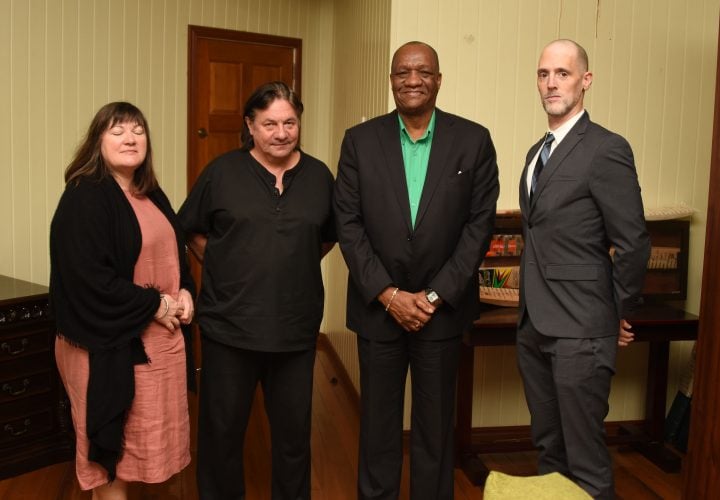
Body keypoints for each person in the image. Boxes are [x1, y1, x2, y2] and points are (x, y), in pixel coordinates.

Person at [334, 41, 500, 499]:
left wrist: (432, 296)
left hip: (441, 314)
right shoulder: (359, 141)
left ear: (439, 80)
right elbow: (348, 225)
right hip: (377, 312)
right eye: (402, 72)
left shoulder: (474, 140)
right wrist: (387, 294)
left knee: (435, 431)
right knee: (378, 429)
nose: (412, 80)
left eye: (423, 72)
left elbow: (478, 227)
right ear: (391, 80)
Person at [178, 81, 337, 500]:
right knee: (221, 435)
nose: (281, 133)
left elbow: (326, 236)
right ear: (250, 125)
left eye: (289, 122)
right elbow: (192, 228)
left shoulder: (320, 176)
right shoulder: (222, 172)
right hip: (229, 327)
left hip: (295, 329)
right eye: (269, 124)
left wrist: (287, 263)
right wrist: (228, 262)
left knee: (292, 438)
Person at [516, 39, 651, 499]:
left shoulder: (606, 149)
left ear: (585, 80)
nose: (551, 83)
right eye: (543, 74)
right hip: (534, 327)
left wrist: (615, 313)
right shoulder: (536, 152)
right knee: (549, 450)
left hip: (582, 330)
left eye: (563, 73)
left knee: (585, 459)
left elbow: (633, 242)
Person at [49, 101, 195, 500]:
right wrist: (157, 305)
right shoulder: (85, 196)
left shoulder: (151, 192)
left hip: (158, 346)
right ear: (98, 141)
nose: (130, 138)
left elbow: (175, 256)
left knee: (145, 453)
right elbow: (88, 280)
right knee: (113, 460)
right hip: (108, 347)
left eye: (138, 130)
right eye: (117, 131)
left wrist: (185, 292)